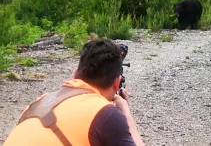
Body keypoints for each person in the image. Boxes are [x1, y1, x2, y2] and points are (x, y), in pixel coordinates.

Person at [3, 38, 145, 146]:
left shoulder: (38, 103)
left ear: (75, 73)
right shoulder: (105, 113)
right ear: (116, 82)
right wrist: (125, 111)